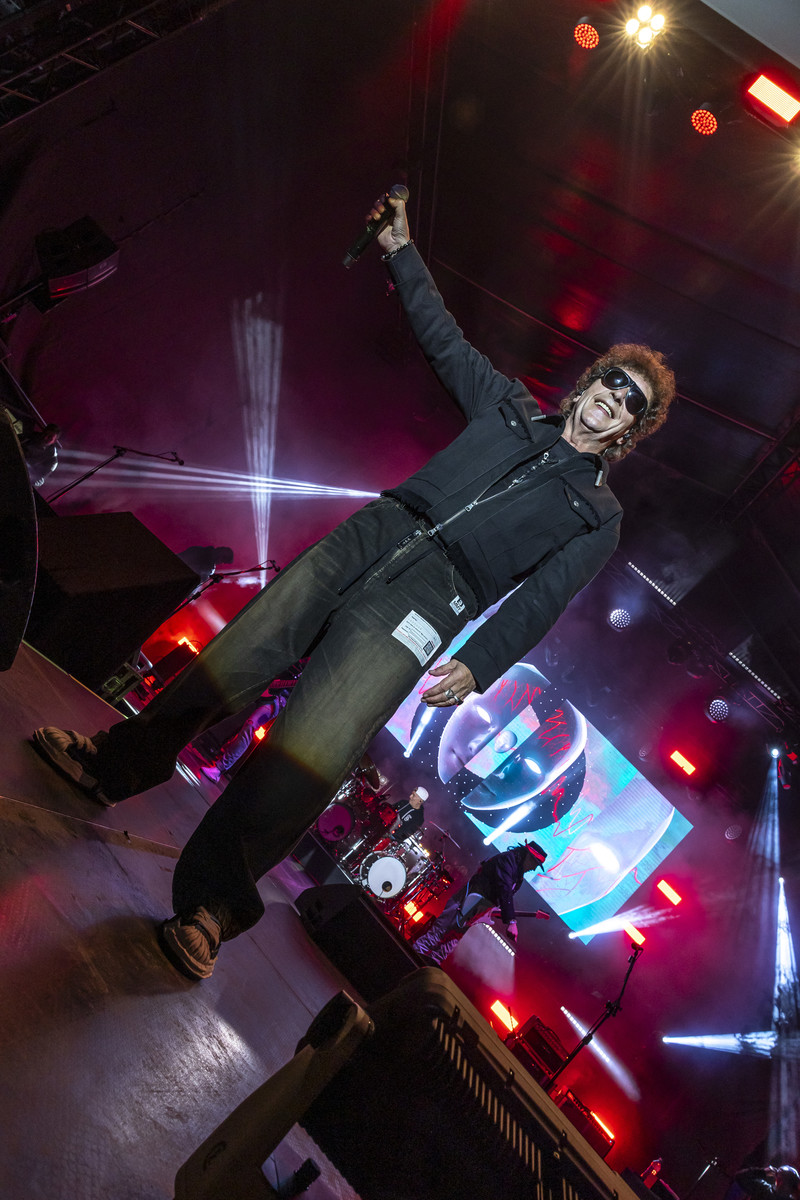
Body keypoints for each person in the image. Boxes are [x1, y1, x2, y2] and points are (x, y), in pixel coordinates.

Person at [31, 195, 676, 981]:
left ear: (629, 431)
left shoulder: (597, 514)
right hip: (373, 535)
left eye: (633, 404)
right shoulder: (507, 406)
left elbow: (543, 600)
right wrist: (400, 250)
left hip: (427, 602)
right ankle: (112, 765)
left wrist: (481, 665)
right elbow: (442, 337)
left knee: (315, 747)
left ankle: (212, 905)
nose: (615, 398)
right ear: (589, 382)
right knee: (234, 660)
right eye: (613, 380)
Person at [413, 842, 548, 965]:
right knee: (436, 935)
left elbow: (498, 896)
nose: (534, 868)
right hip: (465, 902)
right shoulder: (507, 860)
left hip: (474, 911)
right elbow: (504, 889)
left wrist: (494, 911)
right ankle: (410, 962)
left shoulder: (518, 876)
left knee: (447, 945)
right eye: (535, 864)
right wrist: (511, 921)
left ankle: (426, 970)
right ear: (528, 857)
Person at [736, 1167, 800, 1200]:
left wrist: (763, 1172)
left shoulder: (763, 1189)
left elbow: (740, 1176)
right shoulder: (763, 1189)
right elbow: (740, 1176)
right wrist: (762, 1172)